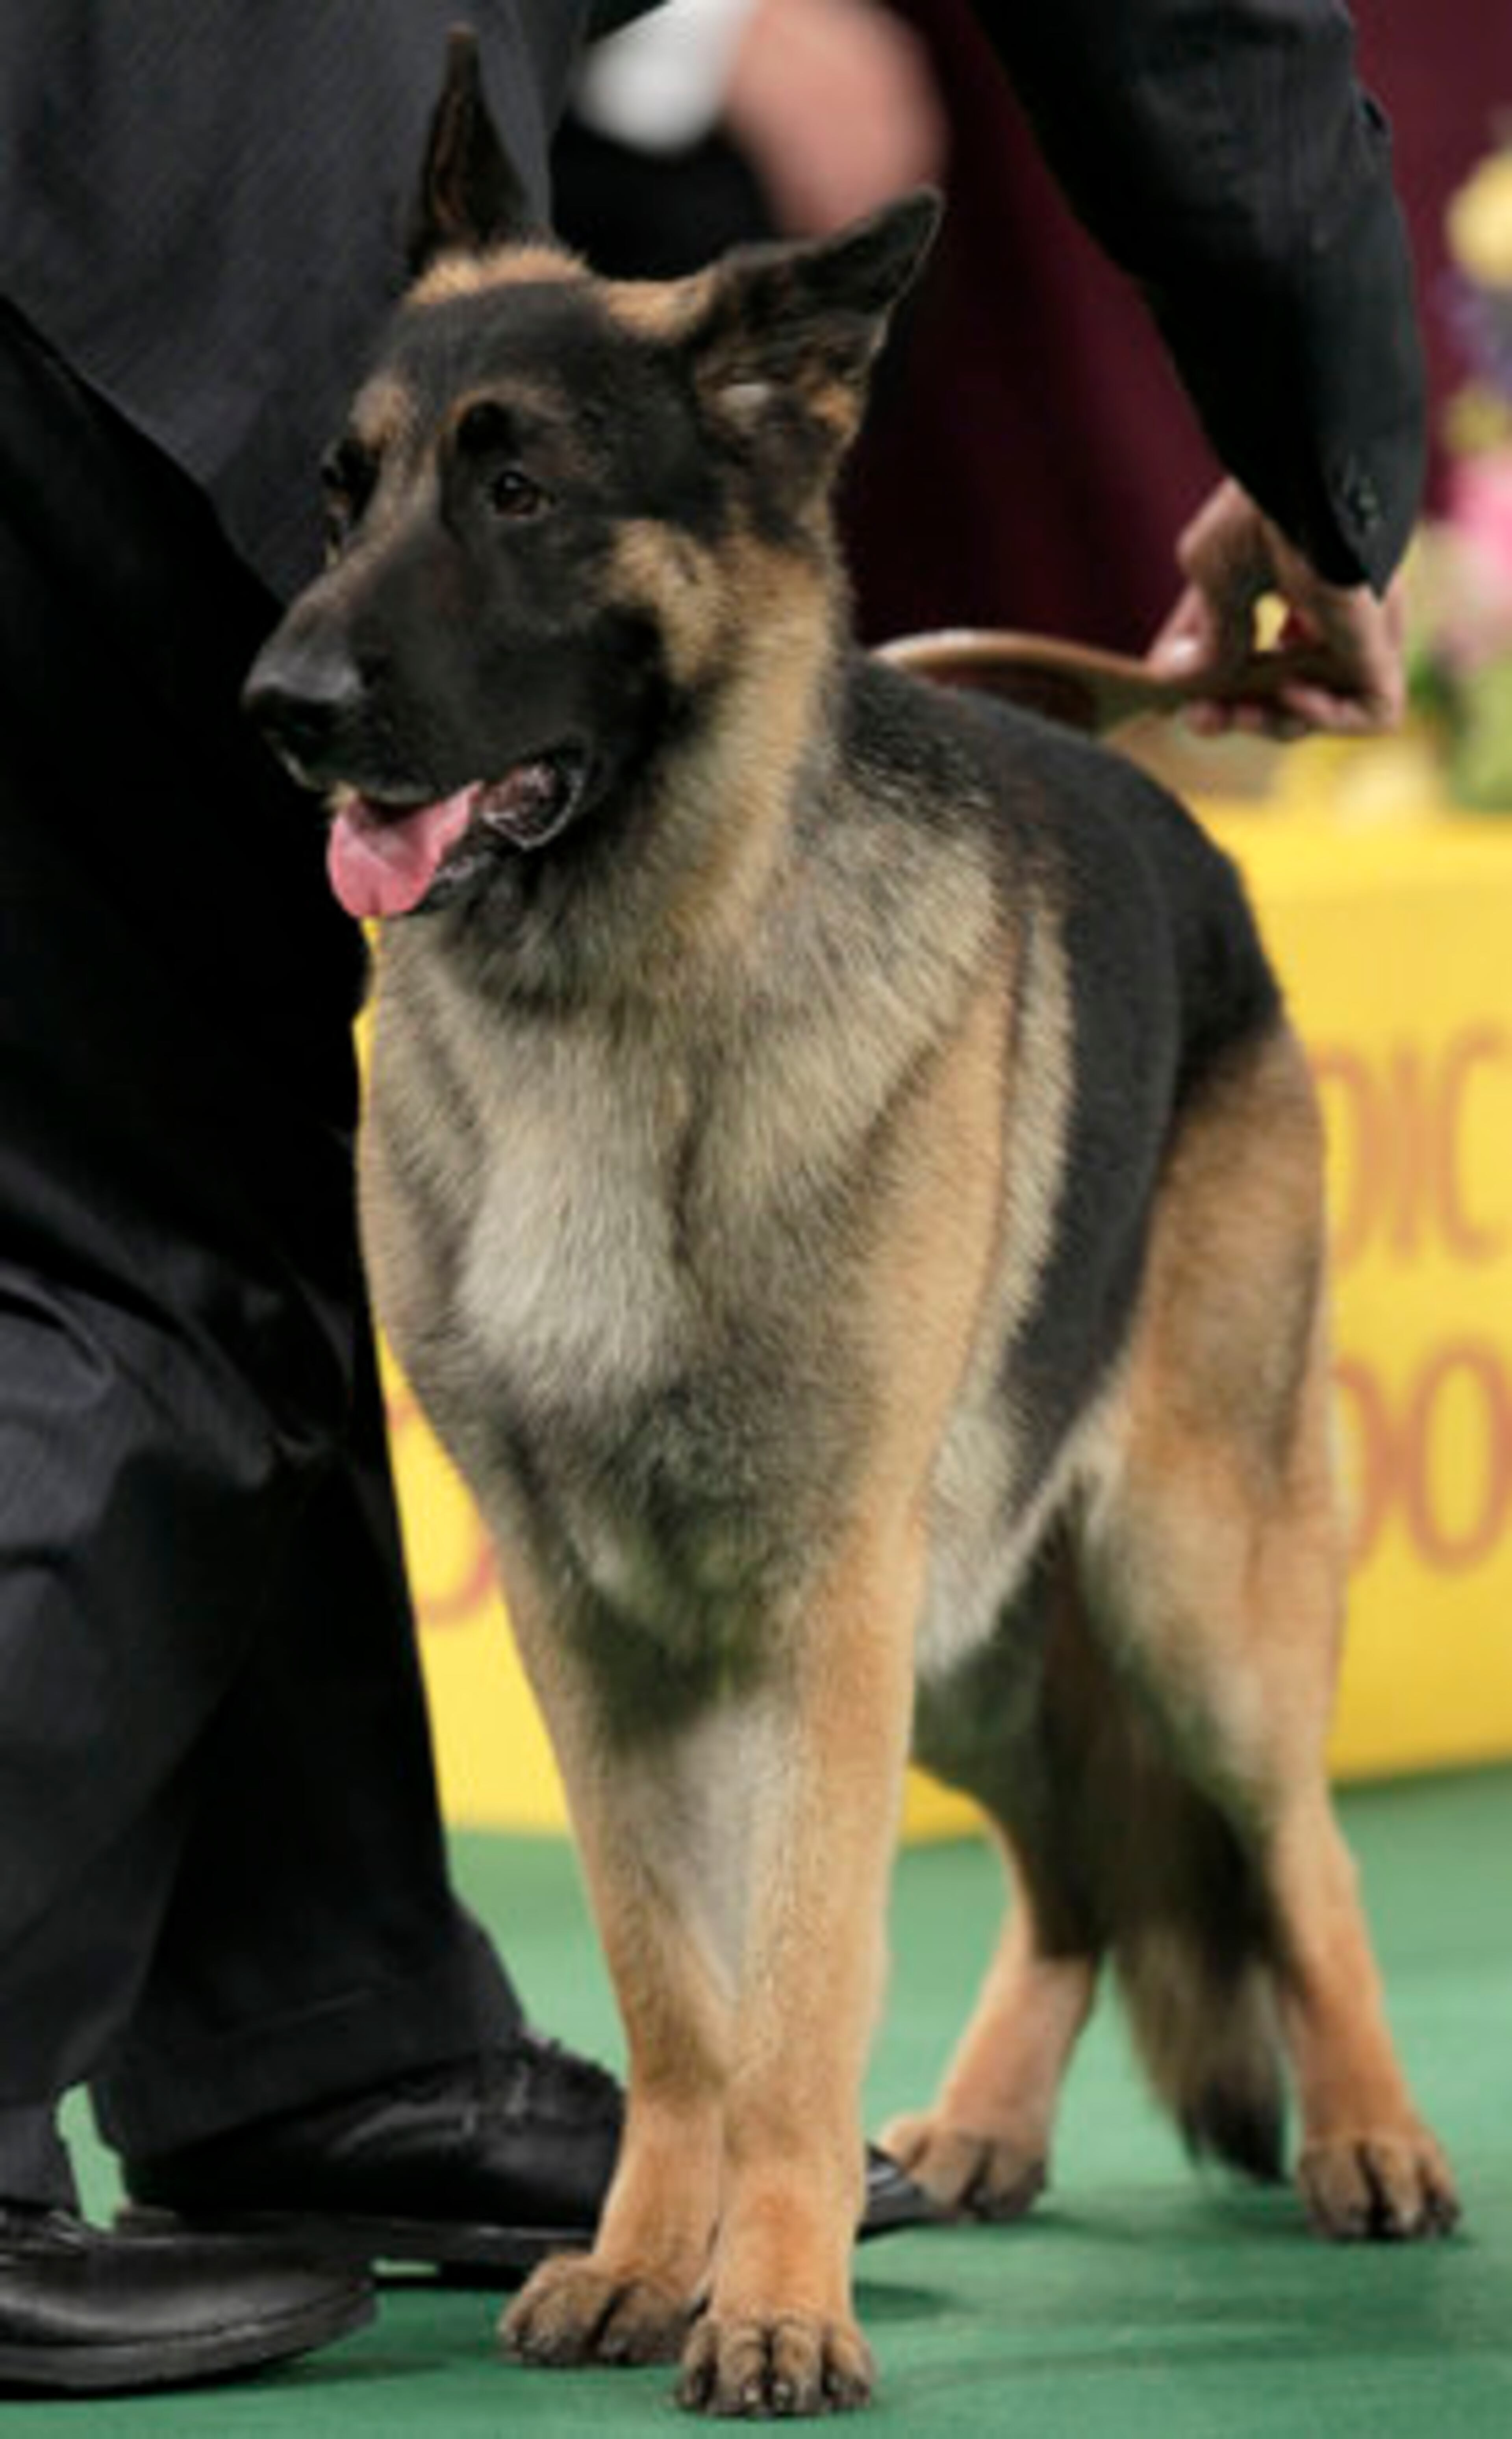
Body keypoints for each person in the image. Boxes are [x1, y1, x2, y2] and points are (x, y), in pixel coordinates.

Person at [0, 0, 1423, 2395]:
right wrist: (1311, 449)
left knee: (188, 1248)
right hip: (161, 265)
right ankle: (422, 2071)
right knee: (149, 1276)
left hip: (106, 226)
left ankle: (321, 2043)